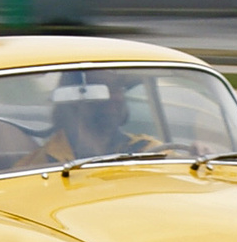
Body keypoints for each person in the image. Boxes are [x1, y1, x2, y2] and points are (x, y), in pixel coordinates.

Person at [15, 70, 160, 169]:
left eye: (117, 89)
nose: (115, 97)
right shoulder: (39, 164)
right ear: (74, 100)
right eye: (101, 90)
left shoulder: (148, 148)